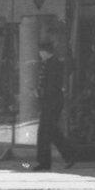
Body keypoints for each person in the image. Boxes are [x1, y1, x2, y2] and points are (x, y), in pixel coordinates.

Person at [34, 42, 71, 172]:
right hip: (49, 101)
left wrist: (42, 93)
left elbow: (52, 85)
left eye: (40, 52)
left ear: (45, 51)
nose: (39, 54)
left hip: (52, 102)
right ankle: (69, 155)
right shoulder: (49, 64)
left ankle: (44, 162)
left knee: (44, 132)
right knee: (52, 132)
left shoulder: (54, 64)